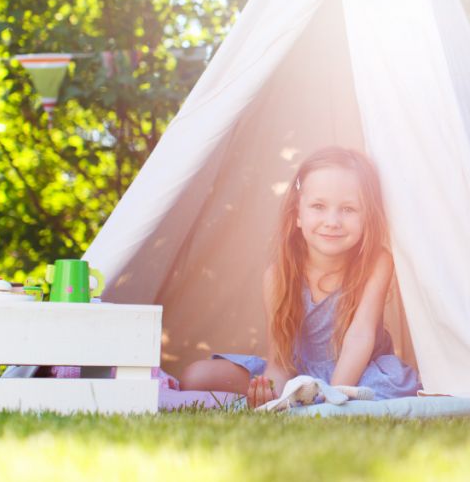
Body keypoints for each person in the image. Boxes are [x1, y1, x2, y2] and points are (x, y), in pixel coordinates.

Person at [179, 146, 421, 408]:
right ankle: (300, 398)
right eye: (318, 206)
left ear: (368, 216)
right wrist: (270, 393)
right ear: (297, 215)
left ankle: (319, 399)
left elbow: (360, 337)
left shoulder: (376, 262)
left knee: (384, 392)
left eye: (349, 209)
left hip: (357, 371)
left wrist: (332, 394)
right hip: (299, 374)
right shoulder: (277, 276)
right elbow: (280, 361)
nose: (332, 221)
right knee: (197, 376)